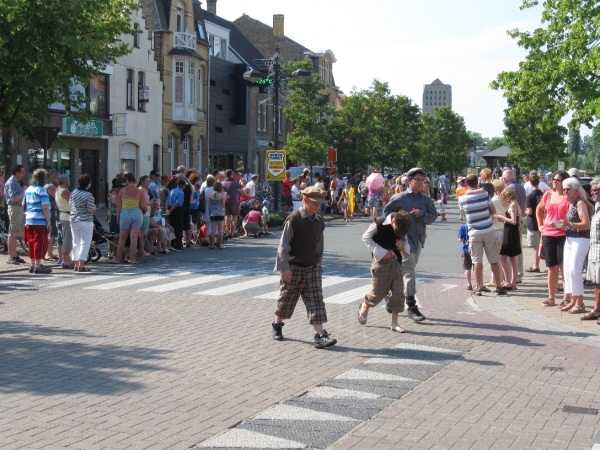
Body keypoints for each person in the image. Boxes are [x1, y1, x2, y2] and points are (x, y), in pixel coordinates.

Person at [271, 186, 337, 348]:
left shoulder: (319, 221)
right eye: (315, 203)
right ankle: (277, 325)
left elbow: (319, 244)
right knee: (286, 299)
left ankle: (320, 334)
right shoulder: (294, 219)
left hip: (312, 267)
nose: (318, 206)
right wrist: (284, 267)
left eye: (320, 203)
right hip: (293, 267)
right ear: (305, 200)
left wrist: (318, 264)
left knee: (316, 300)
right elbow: (283, 245)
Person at [383, 168, 437, 321]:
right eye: (418, 179)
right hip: (402, 241)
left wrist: (423, 214)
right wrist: (394, 224)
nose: (421, 183)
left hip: (418, 240)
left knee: (407, 271)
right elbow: (386, 214)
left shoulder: (425, 200)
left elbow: (433, 216)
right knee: (409, 273)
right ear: (409, 181)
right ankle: (412, 307)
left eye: (423, 179)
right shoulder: (399, 198)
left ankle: (389, 294)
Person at [359, 210, 412, 332]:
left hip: (396, 262)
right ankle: (365, 305)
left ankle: (394, 323)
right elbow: (366, 237)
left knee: (398, 293)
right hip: (380, 263)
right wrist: (382, 251)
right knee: (378, 293)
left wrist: (403, 246)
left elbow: (406, 244)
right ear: (393, 221)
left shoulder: (403, 224)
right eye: (396, 230)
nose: (398, 234)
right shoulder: (379, 224)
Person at [457, 173, 508, 296]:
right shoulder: (485, 194)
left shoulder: (462, 198)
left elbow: (463, 214)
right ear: (477, 182)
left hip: (474, 232)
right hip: (488, 229)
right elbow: (493, 211)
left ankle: (479, 287)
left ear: (466, 184)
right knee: (494, 259)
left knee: (476, 261)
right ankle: (498, 286)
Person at [536, 171, 569, 307]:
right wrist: (540, 225)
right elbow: (539, 209)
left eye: (558, 180)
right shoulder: (548, 194)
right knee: (551, 267)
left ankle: (566, 298)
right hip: (548, 234)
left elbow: (585, 206)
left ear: (565, 182)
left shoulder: (569, 195)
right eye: (554, 179)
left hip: (564, 234)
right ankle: (551, 297)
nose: (554, 181)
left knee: (563, 267)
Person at [557, 177, 590, 314]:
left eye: (568, 189)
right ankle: (573, 299)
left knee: (575, 270)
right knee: (568, 270)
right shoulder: (570, 204)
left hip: (580, 239)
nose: (565, 191)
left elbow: (586, 224)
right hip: (570, 238)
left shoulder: (580, 203)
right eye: (563, 189)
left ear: (575, 190)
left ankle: (580, 302)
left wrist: (569, 224)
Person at [114, 172, 148, 264]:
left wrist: (118, 216)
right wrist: (143, 212)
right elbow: (144, 206)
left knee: (122, 238)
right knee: (134, 238)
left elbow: (118, 205)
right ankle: (132, 259)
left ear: (127, 180)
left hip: (125, 212)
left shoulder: (122, 190)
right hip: (137, 212)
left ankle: (117, 259)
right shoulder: (140, 191)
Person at [23, 169, 52, 274]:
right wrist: (48, 222)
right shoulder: (41, 190)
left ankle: (32, 264)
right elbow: (45, 207)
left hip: (29, 220)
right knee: (39, 243)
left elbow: (23, 205)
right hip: (39, 221)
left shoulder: (29, 189)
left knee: (31, 242)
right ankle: (38, 265)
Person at [495, 188, 523, 290]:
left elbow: (513, 221)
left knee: (502, 257)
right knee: (513, 258)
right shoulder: (516, 204)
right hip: (513, 232)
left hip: (510, 232)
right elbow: (519, 221)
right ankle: (513, 282)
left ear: (507, 196)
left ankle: (508, 281)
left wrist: (502, 217)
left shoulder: (512, 205)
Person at [502, 169, 527, 283]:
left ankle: (512, 277)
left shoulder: (509, 189)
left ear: (504, 179)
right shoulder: (521, 186)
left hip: (513, 219)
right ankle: (518, 274)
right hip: (520, 217)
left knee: (511, 250)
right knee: (517, 248)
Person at [582, 176, 600, 324]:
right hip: (594, 251)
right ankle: (597, 309)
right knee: (597, 283)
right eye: (592, 190)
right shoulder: (597, 206)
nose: (593, 193)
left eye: (596, 190)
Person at [69, 174, 96, 272]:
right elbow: (90, 210)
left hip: (73, 219)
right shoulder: (88, 195)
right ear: (88, 184)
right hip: (85, 220)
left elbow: (70, 205)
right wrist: (95, 209)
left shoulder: (73, 193)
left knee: (76, 242)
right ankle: (81, 265)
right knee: (85, 243)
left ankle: (75, 264)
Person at [5, 165, 26, 265]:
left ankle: (15, 254)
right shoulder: (12, 182)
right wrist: (24, 192)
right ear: (17, 172)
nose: (23, 174)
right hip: (14, 207)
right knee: (13, 232)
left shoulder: (18, 182)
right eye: (22, 172)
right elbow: (13, 198)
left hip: (19, 208)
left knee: (17, 232)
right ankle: (11, 255)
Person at [525, 175, 544, 272]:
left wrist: (525, 211)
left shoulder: (530, 196)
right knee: (540, 244)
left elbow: (530, 211)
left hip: (533, 222)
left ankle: (535, 265)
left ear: (530, 183)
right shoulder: (542, 194)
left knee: (536, 246)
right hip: (541, 221)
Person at [56, 174, 73, 269]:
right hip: (67, 217)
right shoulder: (64, 191)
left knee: (64, 238)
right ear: (66, 181)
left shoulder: (58, 190)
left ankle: (66, 259)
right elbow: (73, 201)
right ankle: (66, 260)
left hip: (62, 215)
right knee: (67, 239)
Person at [43, 170, 60, 262]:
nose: (59, 179)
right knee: (52, 233)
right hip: (52, 212)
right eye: (58, 177)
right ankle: (48, 253)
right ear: (53, 177)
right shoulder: (50, 186)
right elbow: (58, 197)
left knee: (52, 233)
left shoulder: (47, 185)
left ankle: (49, 253)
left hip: (51, 212)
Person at [167, 178, 186, 251]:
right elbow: (178, 203)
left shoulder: (172, 190)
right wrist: (171, 210)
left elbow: (167, 200)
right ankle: (178, 244)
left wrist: (168, 209)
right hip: (177, 209)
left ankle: (172, 243)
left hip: (170, 207)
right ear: (183, 185)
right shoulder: (181, 192)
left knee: (172, 225)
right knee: (178, 227)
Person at [222, 169, 242, 238]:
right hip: (233, 201)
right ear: (231, 174)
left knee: (227, 216)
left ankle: (227, 231)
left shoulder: (223, 182)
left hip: (226, 200)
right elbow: (241, 186)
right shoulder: (234, 182)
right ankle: (233, 231)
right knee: (234, 216)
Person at [208, 181, 226, 249]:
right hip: (220, 213)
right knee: (220, 230)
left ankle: (212, 245)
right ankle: (220, 244)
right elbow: (223, 205)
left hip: (213, 213)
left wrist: (210, 212)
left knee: (213, 230)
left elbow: (209, 206)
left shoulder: (210, 195)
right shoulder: (222, 196)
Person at [457, 222, 473, 291]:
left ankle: (469, 284)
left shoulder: (463, 226)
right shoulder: (476, 225)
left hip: (466, 250)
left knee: (467, 268)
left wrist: (465, 240)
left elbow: (460, 239)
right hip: (475, 249)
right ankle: (480, 283)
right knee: (477, 267)